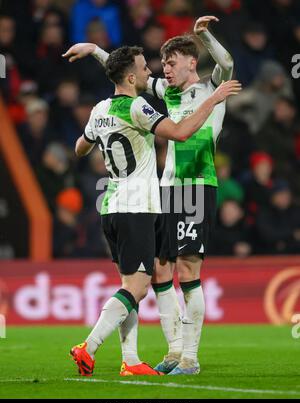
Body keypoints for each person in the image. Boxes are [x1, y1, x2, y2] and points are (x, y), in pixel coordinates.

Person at [63, 43, 241, 377]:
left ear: (192, 62)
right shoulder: (163, 92)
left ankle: (189, 358)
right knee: (159, 273)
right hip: (163, 193)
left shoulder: (210, 88)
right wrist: (98, 51)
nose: (162, 71)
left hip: (196, 187)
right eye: (158, 65)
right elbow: (127, 74)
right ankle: (171, 351)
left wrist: (206, 35)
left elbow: (226, 62)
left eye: (170, 64)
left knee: (187, 273)